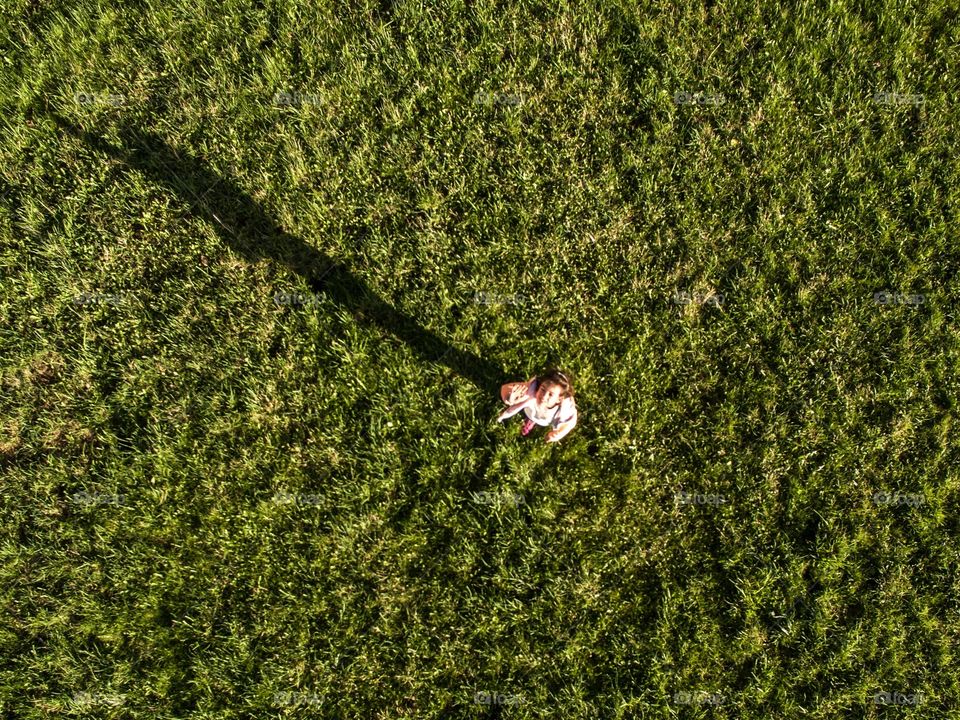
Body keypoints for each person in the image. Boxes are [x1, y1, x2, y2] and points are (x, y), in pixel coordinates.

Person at [497, 369, 578, 443]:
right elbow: (504, 389)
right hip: (530, 411)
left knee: (537, 418)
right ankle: (530, 420)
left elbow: (570, 423)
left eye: (551, 394)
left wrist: (558, 433)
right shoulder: (530, 392)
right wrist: (510, 399)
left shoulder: (565, 408)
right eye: (543, 389)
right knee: (531, 415)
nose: (544, 396)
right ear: (539, 386)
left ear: (559, 399)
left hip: (545, 420)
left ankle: (532, 422)